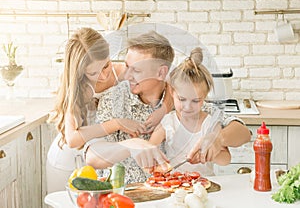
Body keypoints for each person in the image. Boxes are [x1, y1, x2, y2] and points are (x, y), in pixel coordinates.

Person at [85, 30, 251, 183]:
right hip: (127, 195)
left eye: (136, 70)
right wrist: (131, 145)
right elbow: (92, 156)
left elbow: (242, 131)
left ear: (161, 73)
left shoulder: (185, 101)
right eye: (127, 66)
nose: (126, 75)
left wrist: (217, 139)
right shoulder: (113, 100)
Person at [46, 27, 146, 193]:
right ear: (80, 71)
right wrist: (117, 124)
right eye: (93, 72)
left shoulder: (120, 71)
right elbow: (73, 139)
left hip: (96, 159)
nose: (103, 76)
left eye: (106, 66)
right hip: (69, 159)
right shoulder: (80, 89)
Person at [149, 47, 231, 176]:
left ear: (204, 97)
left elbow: (226, 160)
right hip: (175, 184)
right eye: (182, 99)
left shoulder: (210, 124)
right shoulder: (168, 122)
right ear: (172, 92)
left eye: (195, 101)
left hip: (205, 184)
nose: (187, 107)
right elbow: (149, 149)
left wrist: (209, 154)